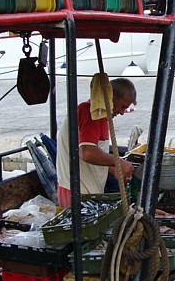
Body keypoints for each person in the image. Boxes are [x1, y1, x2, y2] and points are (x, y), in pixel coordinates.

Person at [56, 77, 137, 208]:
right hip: (77, 192)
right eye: (122, 107)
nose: (122, 112)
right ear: (113, 96)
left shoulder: (100, 115)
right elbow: (87, 153)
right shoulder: (91, 113)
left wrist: (112, 169)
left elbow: (89, 157)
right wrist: (119, 162)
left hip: (80, 190)